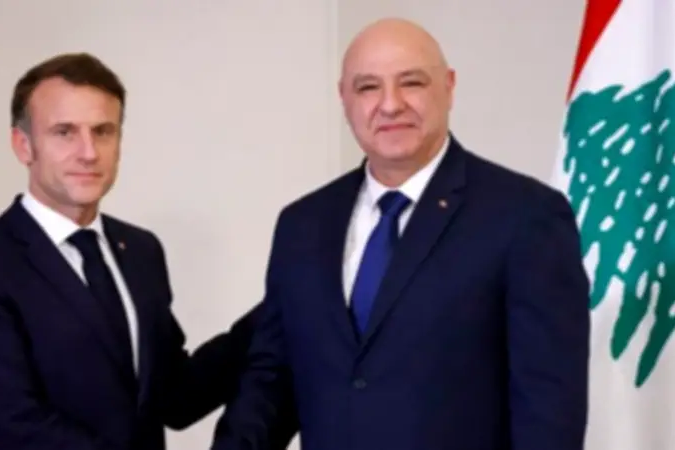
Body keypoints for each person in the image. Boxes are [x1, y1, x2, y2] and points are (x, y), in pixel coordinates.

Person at [211, 18, 590, 450]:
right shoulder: (302, 225)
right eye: (368, 87)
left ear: (449, 86)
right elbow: (271, 381)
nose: (390, 105)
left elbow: (549, 413)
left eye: (411, 82)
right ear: (344, 98)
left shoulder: (525, 216)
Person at [0, 53, 295, 450]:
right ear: (23, 145)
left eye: (103, 131)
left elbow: (175, 396)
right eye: (65, 132)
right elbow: (10, 424)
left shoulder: (140, 250)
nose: (88, 152)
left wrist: (282, 309)